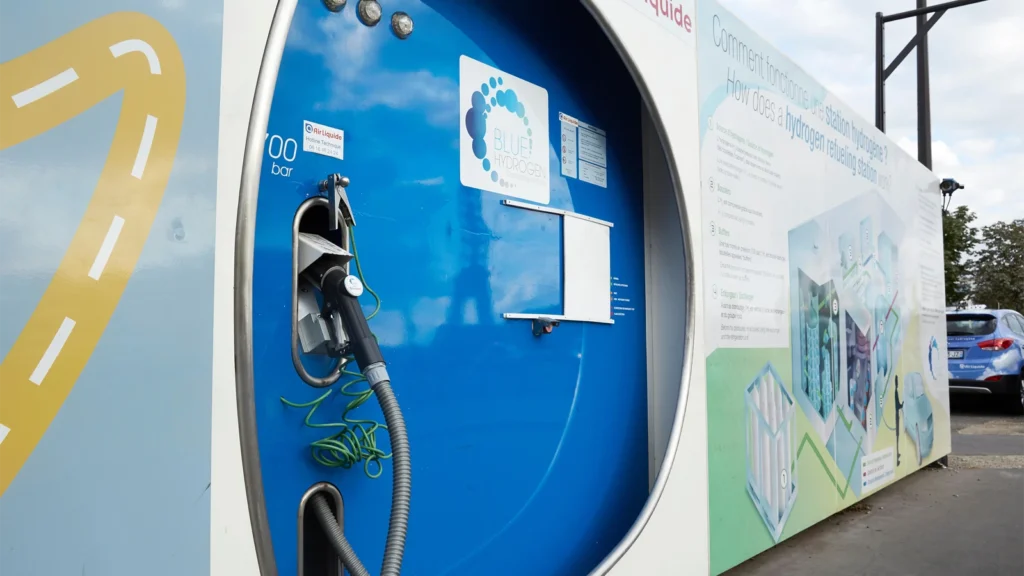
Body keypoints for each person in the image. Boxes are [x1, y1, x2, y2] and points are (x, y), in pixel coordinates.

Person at [894, 375, 904, 467]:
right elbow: (897, 405)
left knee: (897, 436)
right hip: (896, 416)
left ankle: (897, 454)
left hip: (896, 416)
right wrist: (902, 405)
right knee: (897, 437)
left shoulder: (895, 391)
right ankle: (897, 456)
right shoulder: (895, 392)